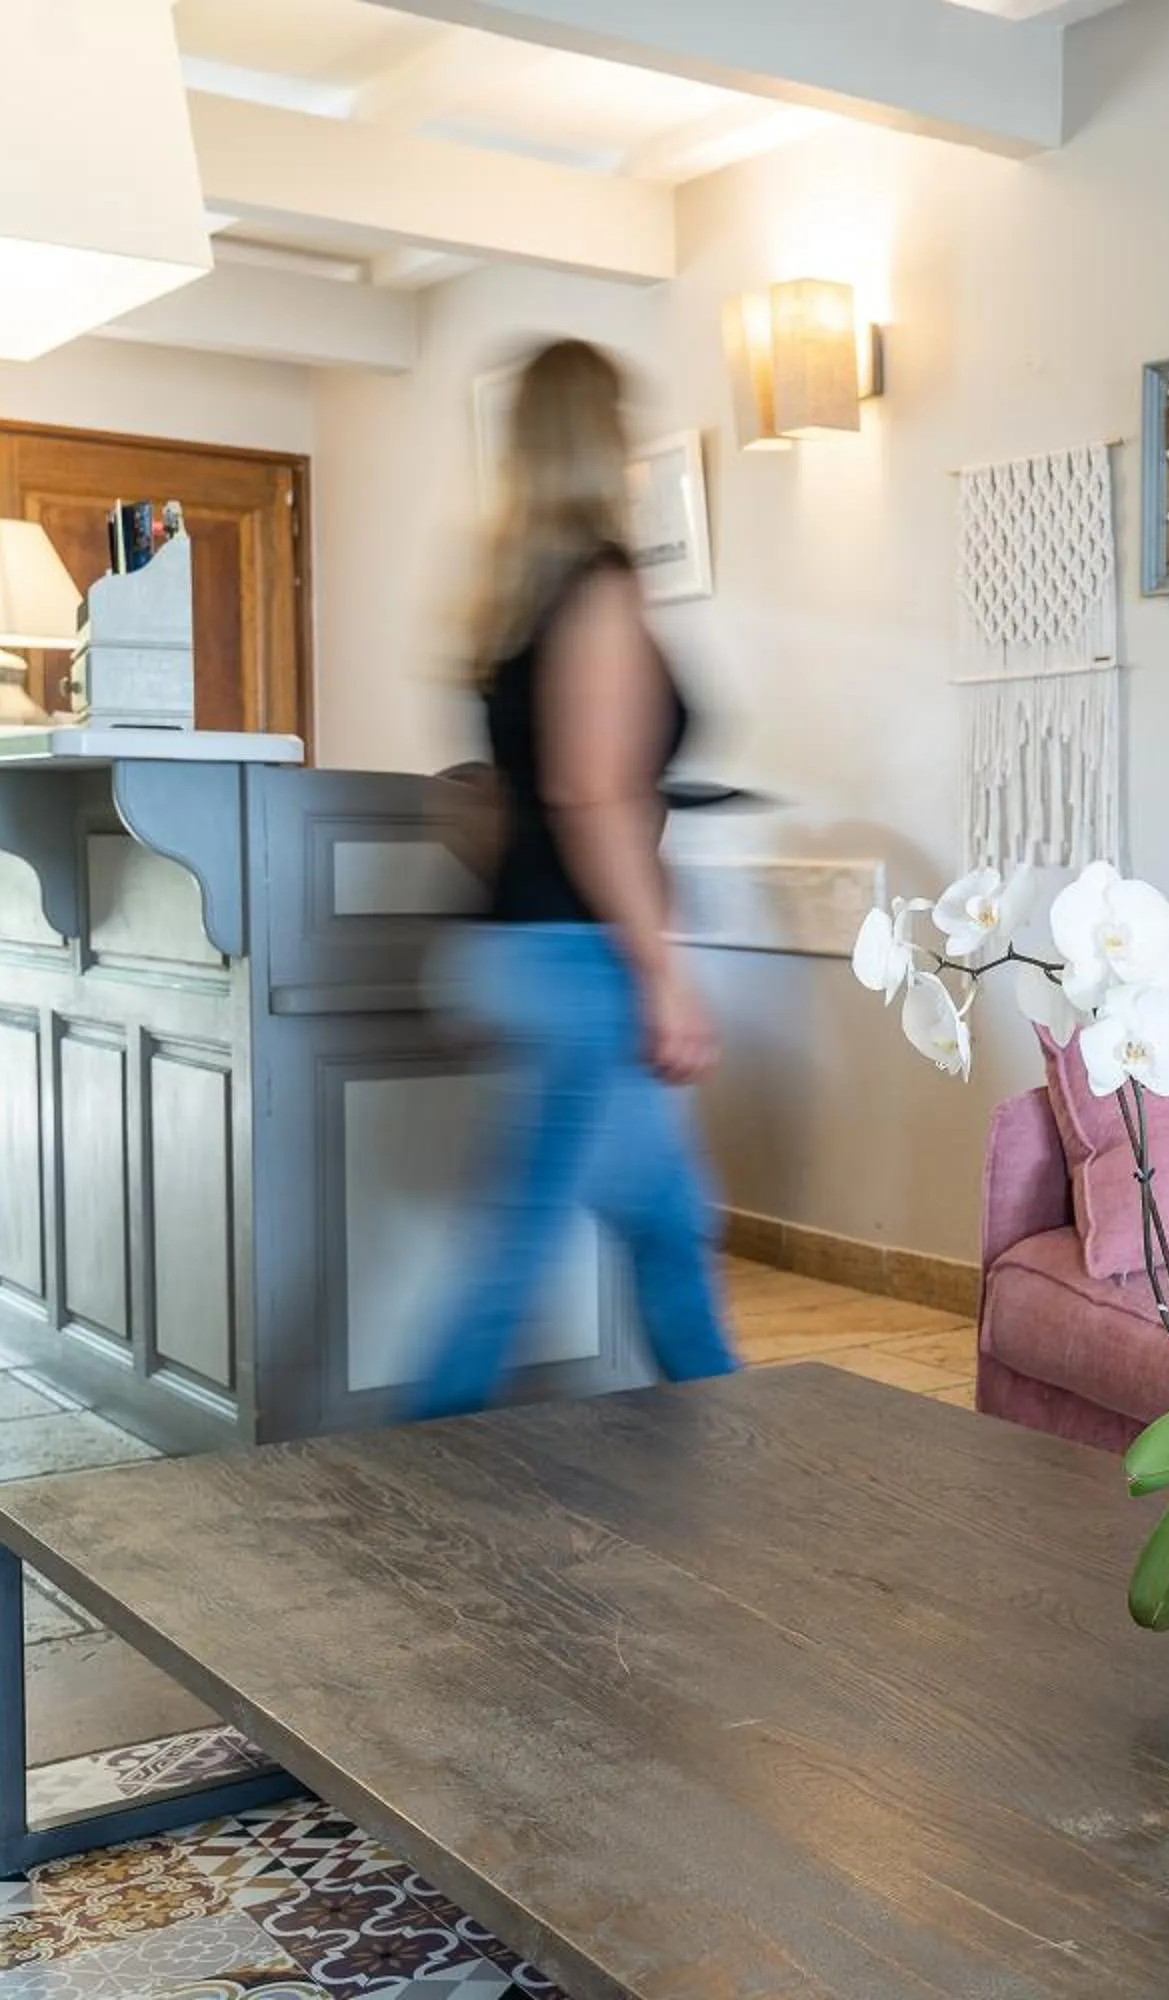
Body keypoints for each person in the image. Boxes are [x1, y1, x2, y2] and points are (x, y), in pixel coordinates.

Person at [409, 338, 736, 1420]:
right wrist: (666, 974)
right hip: (576, 961)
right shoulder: (597, 584)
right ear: (604, 440)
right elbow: (594, 798)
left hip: (517, 949)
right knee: (516, 1249)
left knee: (669, 1223)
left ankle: (745, 1452)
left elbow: (480, 801)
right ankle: (392, 1488)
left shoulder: (511, 602)